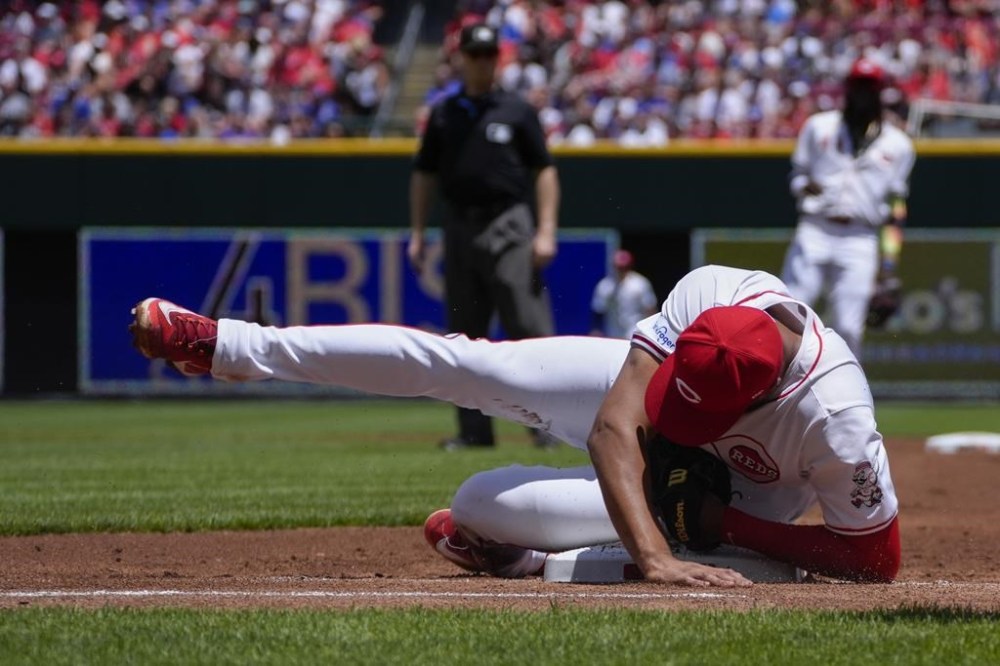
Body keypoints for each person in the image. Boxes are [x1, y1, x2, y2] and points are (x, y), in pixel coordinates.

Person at [129, 263, 900, 587]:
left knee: (475, 504)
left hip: (735, 495)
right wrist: (655, 558)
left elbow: (876, 562)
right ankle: (231, 345)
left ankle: (532, 564)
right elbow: (613, 425)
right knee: (474, 366)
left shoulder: (834, 421)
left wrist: (724, 522)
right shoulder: (722, 292)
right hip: (646, 421)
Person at [408, 22, 561, 451]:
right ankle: (474, 432)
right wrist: (418, 233)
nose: (482, 62)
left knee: (528, 328)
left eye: (489, 54)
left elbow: (544, 169)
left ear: (498, 58)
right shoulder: (444, 113)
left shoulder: (517, 110)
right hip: (458, 224)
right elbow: (424, 174)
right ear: (461, 58)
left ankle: (548, 426)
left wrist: (546, 229)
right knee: (465, 335)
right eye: (474, 54)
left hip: (508, 222)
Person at [779, 58, 916, 358]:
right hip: (815, 227)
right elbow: (798, 175)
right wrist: (803, 186)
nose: (862, 94)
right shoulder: (818, 126)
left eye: (869, 88)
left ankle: (845, 399)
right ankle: (778, 397)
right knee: (789, 313)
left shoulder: (898, 144)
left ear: (880, 92)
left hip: (860, 236)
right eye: (858, 87)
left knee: (849, 328)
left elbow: (896, 209)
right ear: (847, 89)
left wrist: (889, 268)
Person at [590, 249, 658, 339]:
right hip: (612, 333)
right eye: (619, 267)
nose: (621, 271)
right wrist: (596, 330)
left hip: (635, 331)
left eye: (624, 268)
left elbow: (650, 308)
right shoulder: (605, 285)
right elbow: (598, 310)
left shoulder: (640, 283)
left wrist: (652, 330)